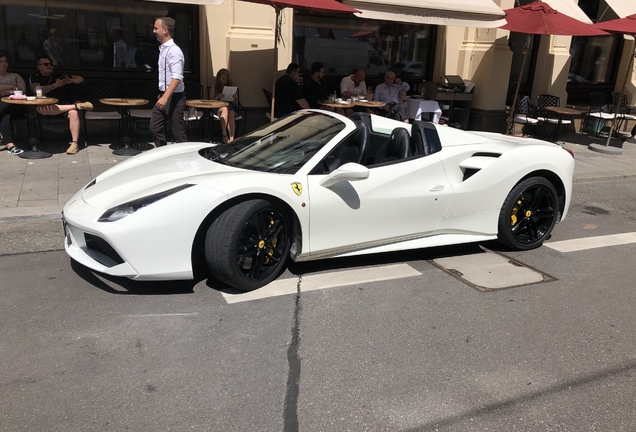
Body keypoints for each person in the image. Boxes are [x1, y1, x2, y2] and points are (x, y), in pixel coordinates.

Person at [29, 55, 93, 155]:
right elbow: (36, 89)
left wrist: (70, 81)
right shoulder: (34, 77)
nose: (49, 66)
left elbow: (80, 79)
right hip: (46, 106)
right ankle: (77, 105)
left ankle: (74, 143)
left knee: (73, 113)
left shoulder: (59, 75)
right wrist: (55, 85)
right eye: (46, 64)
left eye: (51, 64)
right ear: (39, 67)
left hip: (64, 106)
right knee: (40, 109)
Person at [150, 16, 187, 147]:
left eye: (156, 28)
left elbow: (176, 77)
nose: (153, 31)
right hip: (163, 95)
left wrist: (165, 97)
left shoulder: (174, 51)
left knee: (178, 133)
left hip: (174, 98)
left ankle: (184, 160)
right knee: (155, 127)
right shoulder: (163, 49)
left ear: (165, 30)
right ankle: (163, 153)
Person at [0, 52, 26, 155]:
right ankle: (10, 145)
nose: (4, 63)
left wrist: (7, 92)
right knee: (5, 116)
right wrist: (11, 87)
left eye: (5, 61)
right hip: (4, 109)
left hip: (16, 104)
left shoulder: (15, 76)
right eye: (0, 61)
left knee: (4, 104)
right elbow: (16, 88)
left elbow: (22, 90)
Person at [210, 68, 238, 143]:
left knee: (231, 114)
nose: (225, 81)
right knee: (225, 109)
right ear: (219, 78)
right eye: (223, 79)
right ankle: (224, 134)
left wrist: (235, 98)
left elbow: (234, 103)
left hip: (229, 105)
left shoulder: (229, 87)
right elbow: (211, 101)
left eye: (226, 79)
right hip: (218, 107)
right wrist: (218, 96)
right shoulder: (214, 87)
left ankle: (232, 138)